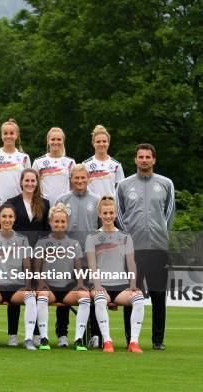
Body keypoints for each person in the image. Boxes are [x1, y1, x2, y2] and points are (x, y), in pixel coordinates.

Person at [116, 143, 174, 350]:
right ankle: (130, 339)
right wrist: (129, 237)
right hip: (133, 250)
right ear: (135, 160)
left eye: (148, 157)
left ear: (154, 160)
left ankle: (158, 340)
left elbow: (169, 214)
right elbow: (119, 215)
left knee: (158, 295)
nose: (144, 160)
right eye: (140, 157)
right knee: (132, 294)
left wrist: (161, 233)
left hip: (158, 248)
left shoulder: (166, 183)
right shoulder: (123, 185)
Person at [85, 195, 145, 353]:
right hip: (100, 284)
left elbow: (131, 263)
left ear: (116, 213)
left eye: (111, 212)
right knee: (99, 299)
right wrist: (97, 286)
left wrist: (133, 285)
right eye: (105, 213)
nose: (108, 216)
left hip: (121, 286)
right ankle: (107, 342)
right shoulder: (92, 237)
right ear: (99, 214)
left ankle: (133, 342)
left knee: (138, 298)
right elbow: (91, 264)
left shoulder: (125, 237)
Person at [56, 164, 101, 347]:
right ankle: (62, 335)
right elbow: (56, 227)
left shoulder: (97, 200)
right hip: (67, 258)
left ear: (88, 179)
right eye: (76, 178)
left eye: (83, 178)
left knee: (91, 295)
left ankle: (95, 334)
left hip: (90, 258)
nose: (80, 181)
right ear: (71, 179)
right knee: (65, 295)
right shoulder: (62, 200)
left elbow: (102, 228)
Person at [34, 203, 90, 351]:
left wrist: (79, 283)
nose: (59, 224)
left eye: (62, 221)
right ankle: (44, 338)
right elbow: (36, 268)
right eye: (56, 221)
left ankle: (78, 339)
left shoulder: (74, 243)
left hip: (67, 288)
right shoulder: (42, 242)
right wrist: (40, 283)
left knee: (85, 296)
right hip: (49, 287)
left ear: (67, 223)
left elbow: (78, 268)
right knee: (42, 296)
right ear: (51, 222)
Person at [0, 203, 37, 350]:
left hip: (16, 287)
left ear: (14, 218)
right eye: (4, 216)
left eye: (10, 216)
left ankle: (28, 339)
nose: (7, 219)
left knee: (31, 297)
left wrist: (28, 285)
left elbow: (27, 265)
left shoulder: (22, 239)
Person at [5, 168, 50, 346]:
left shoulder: (45, 204)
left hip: (38, 256)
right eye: (27, 180)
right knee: (16, 292)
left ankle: (37, 334)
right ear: (21, 182)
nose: (30, 184)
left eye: (33, 181)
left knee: (36, 292)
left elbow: (48, 232)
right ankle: (13, 335)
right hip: (16, 255)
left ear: (37, 183)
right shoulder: (12, 203)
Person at [0, 119, 31, 202]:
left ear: (17, 135)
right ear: (1, 135)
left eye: (12, 133)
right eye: (5, 133)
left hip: (19, 203)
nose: (8, 136)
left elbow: (29, 183)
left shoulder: (24, 157)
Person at [32, 127, 75, 206]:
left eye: (59, 139)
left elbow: (73, 186)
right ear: (48, 141)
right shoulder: (38, 162)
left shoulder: (70, 162)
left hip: (64, 206)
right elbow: (33, 186)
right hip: (43, 206)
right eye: (53, 139)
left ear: (63, 141)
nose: (56, 142)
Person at [83, 125, 124, 198]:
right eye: (98, 142)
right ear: (93, 143)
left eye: (104, 141)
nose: (101, 144)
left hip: (110, 207)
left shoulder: (116, 165)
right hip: (91, 206)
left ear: (108, 143)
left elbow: (121, 190)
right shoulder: (86, 165)